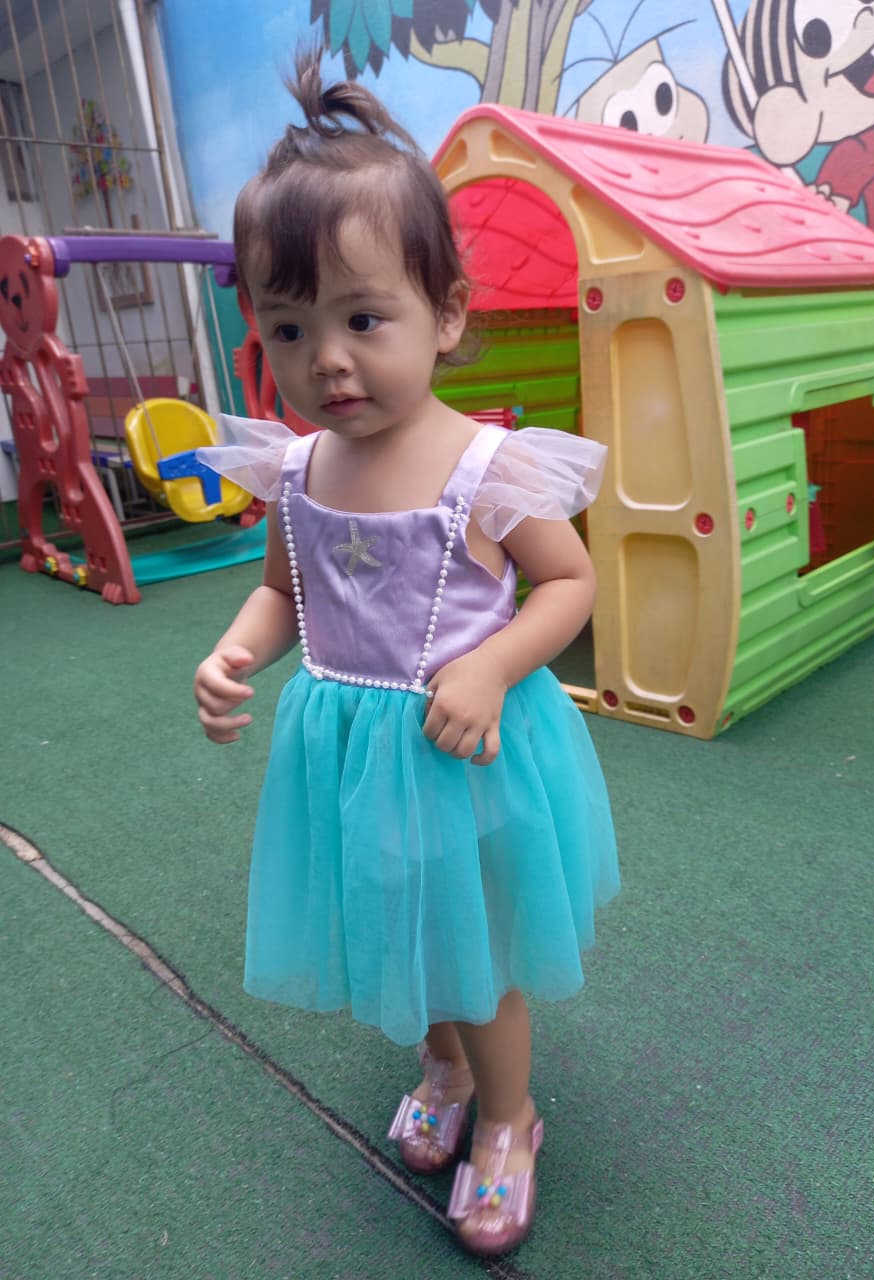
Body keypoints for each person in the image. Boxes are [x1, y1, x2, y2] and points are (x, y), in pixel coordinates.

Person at [192, 46, 620, 1258]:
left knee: (480, 952)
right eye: (290, 326)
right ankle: (444, 1066)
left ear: (448, 314)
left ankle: (510, 1113)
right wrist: (235, 651)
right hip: (354, 757)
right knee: (406, 927)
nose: (327, 357)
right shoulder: (297, 470)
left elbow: (570, 583)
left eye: (363, 318)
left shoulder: (487, 466)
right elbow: (283, 594)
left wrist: (491, 665)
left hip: (467, 751)